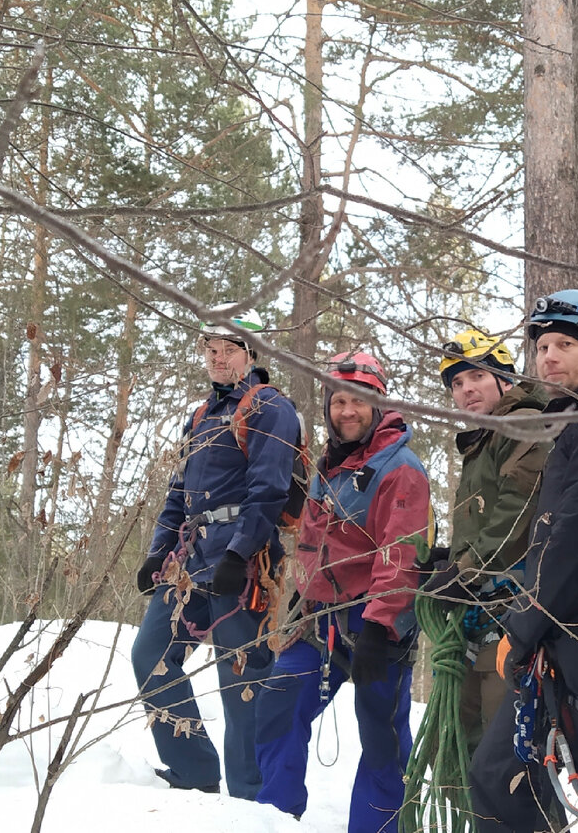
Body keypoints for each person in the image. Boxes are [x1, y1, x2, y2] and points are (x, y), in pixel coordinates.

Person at [468, 289, 578, 833]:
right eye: (541, 347)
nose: (548, 357)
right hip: (563, 626)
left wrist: (523, 628)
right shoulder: (570, 421)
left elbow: (577, 535)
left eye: (565, 344)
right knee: (508, 778)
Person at [131, 304, 301, 799]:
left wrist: (240, 553)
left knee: (240, 678)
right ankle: (193, 768)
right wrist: (157, 553)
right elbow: (177, 494)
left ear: (250, 356)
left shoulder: (270, 408)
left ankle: (252, 798)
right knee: (151, 654)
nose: (217, 358)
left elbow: (269, 489)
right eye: (210, 349)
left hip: (243, 565)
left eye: (228, 350)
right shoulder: (202, 415)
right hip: (190, 560)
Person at [254, 351, 429, 833]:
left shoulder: (400, 468)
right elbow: (316, 538)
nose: (346, 411)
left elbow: (402, 552)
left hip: (375, 622)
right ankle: (273, 815)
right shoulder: (330, 464)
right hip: (320, 616)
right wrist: (302, 593)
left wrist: (380, 624)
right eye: (338, 402)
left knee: (381, 735)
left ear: (377, 405)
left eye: (358, 401)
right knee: (281, 698)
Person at [424, 329, 550, 755]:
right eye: (456, 384)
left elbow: (518, 507)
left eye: (475, 376)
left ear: (504, 377)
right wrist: (451, 559)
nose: (465, 390)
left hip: (511, 609)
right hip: (482, 608)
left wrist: (465, 569)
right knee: (465, 741)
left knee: (502, 746)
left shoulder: (522, 423)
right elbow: (485, 517)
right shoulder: (483, 442)